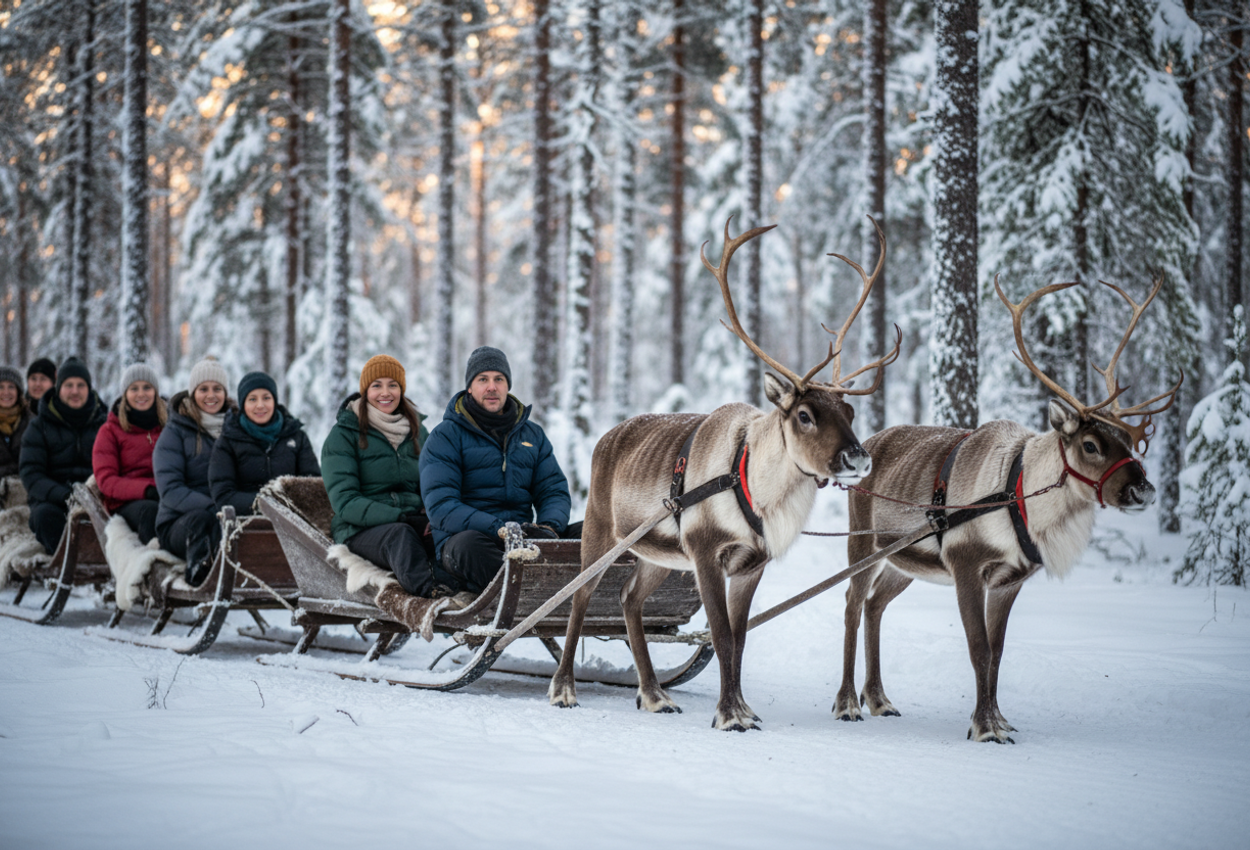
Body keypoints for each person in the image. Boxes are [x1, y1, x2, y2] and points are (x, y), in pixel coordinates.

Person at [420, 346, 572, 596]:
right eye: (483, 379)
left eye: (498, 379)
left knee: (591, 534)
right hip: (465, 541)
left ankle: (586, 596)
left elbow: (553, 490)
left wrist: (549, 528)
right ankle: (538, 594)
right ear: (470, 387)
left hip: (523, 538)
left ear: (507, 385)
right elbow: (441, 507)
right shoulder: (445, 436)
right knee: (470, 547)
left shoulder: (532, 435)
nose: (492, 387)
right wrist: (498, 528)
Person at [321, 355, 467, 608]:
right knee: (400, 536)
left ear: (402, 389)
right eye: (377, 385)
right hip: (359, 530)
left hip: (413, 522)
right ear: (365, 390)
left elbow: (436, 482)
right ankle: (431, 594)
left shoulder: (419, 432)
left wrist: (434, 514)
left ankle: (474, 588)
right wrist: (401, 517)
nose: (385, 392)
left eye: (393, 385)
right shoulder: (344, 435)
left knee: (456, 536)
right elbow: (345, 502)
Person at [154, 356, 234, 585]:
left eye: (217, 388)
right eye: (204, 389)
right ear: (192, 393)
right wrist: (213, 507)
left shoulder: (235, 429)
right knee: (202, 520)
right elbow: (170, 489)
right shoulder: (175, 432)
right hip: (179, 522)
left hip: (225, 514)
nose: (211, 395)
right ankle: (199, 577)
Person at [19, 357, 108, 554]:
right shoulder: (38, 426)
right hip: (55, 501)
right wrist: (66, 496)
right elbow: (31, 475)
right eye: (68, 385)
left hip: (99, 501)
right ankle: (69, 558)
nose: (74, 391)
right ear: (59, 389)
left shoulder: (105, 424)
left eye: (80, 385)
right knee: (43, 518)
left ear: (89, 389)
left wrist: (97, 496)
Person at [209, 371, 319, 516]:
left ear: (274, 400)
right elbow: (223, 495)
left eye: (266, 398)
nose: (260, 405)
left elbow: (313, 487)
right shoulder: (228, 441)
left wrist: (287, 507)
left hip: (294, 524)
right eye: (252, 399)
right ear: (243, 404)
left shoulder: (296, 437)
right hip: (245, 525)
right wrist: (267, 504)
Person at [92, 363, 166, 544]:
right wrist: (146, 490)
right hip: (126, 502)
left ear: (155, 392)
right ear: (125, 394)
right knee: (151, 512)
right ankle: (155, 562)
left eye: (147, 387)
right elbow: (107, 480)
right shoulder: (110, 431)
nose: (141, 394)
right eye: (134, 388)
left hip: (166, 494)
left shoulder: (169, 426)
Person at [0, 365, 32, 479]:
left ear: (18, 391)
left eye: (11, 387)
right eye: (1, 387)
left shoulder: (32, 422)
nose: (6, 392)